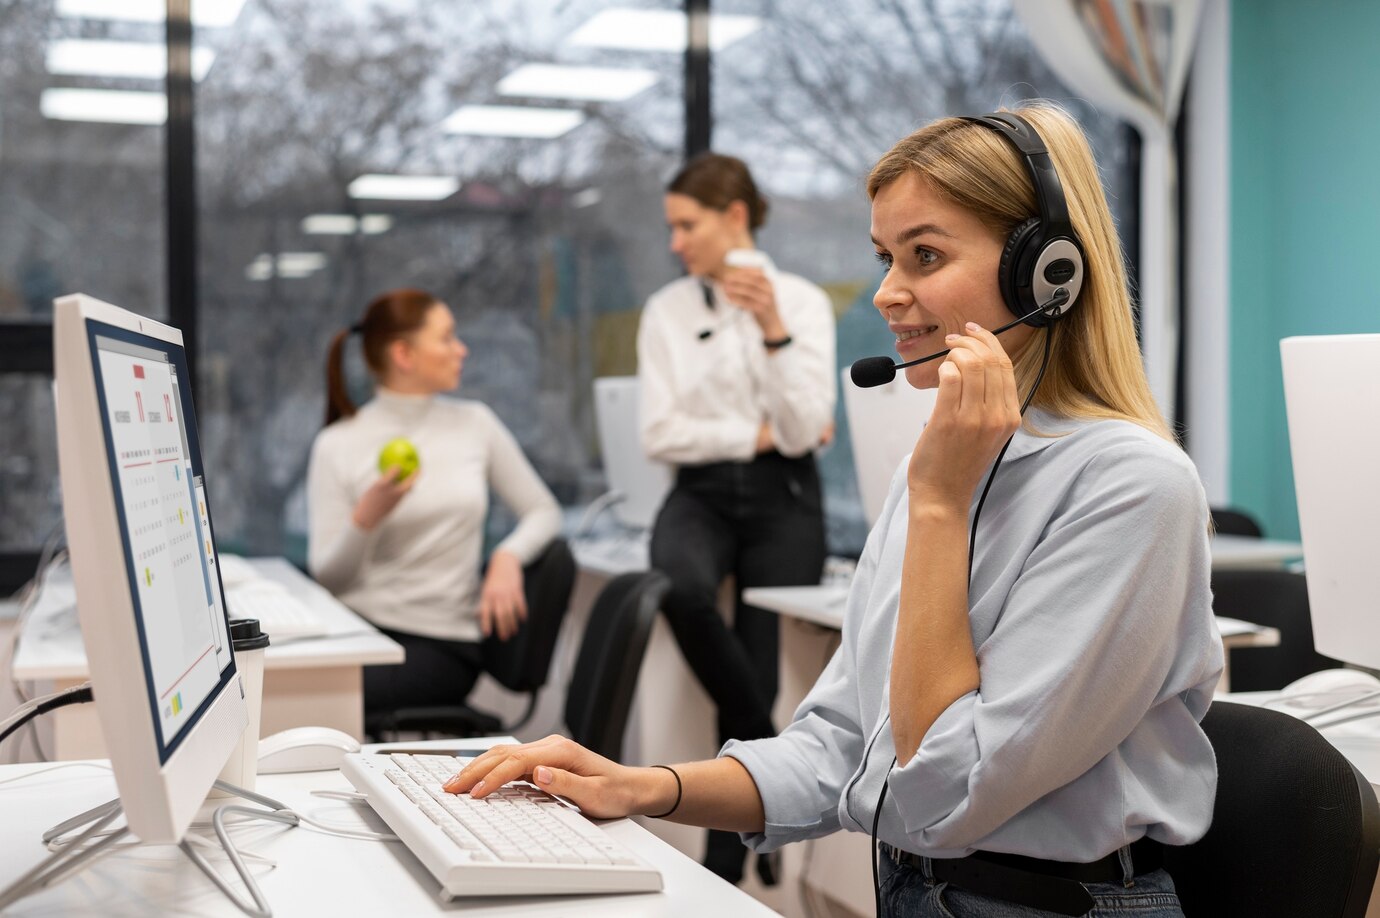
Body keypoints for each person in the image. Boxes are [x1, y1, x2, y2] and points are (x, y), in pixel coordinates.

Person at [442, 104, 1222, 918]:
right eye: (885, 256)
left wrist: (940, 510)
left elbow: (941, 796)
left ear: (1046, 272)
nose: (886, 293)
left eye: (924, 254)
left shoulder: (1129, 488)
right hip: (925, 891)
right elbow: (838, 749)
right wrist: (641, 786)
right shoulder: (943, 471)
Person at [636, 152, 837, 883]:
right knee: (678, 585)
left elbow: (805, 425)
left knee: (756, 654)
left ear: (735, 218)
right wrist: (748, 435)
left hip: (785, 498)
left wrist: (771, 326)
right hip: (699, 494)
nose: (675, 242)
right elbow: (660, 434)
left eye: (686, 225)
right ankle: (766, 757)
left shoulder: (803, 303)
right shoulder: (668, 311)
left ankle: (724, 861)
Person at [307, 288, 561, 721]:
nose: (461, 349)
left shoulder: (475, 424)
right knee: (278, 686)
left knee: (304, 702)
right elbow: (329, 577)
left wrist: (506, 556)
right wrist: (366, 518)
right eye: (446, 338)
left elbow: (544, 511)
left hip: (441, 644)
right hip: (358, 633)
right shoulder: (337, 444)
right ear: (404, 354)